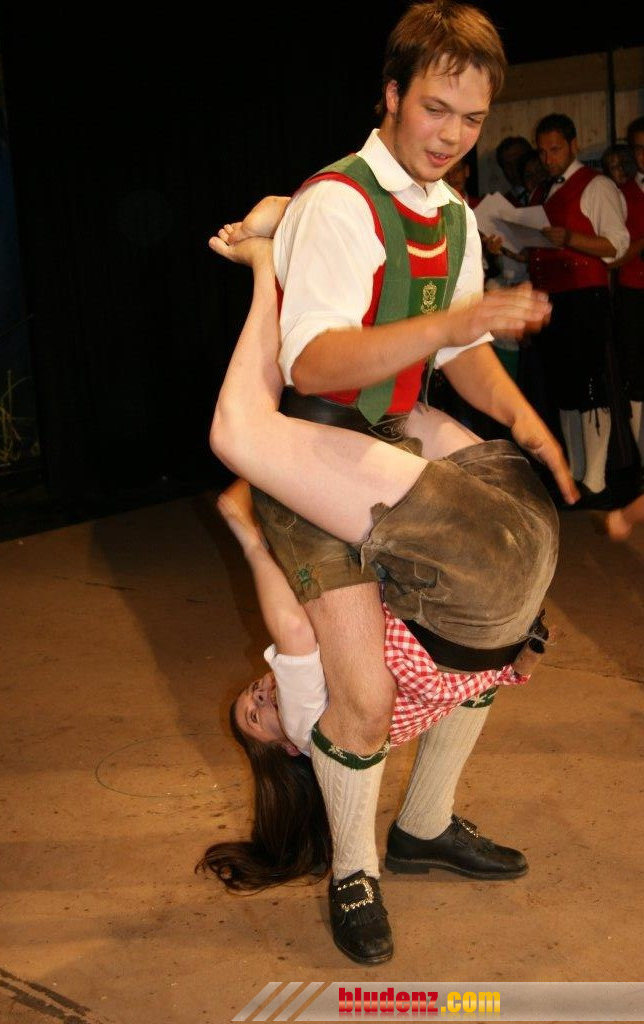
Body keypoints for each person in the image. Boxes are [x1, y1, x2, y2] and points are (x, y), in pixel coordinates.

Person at [208, 0, 576, 966]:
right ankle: (353, 868)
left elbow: (461, 355)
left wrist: (521, 418)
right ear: (390, 96)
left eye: (471, 118)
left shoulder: (450, 214)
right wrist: (448, 329)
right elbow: (317, 363)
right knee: (363, 698)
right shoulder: (338, 204)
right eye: (434, 109)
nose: (451, 135)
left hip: (392, 449)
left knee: (494, 634)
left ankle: (425, 824)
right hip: (313, 459)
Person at [198, 472, 546, 893]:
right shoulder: (301, 727)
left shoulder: (308, 707)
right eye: (254, 717)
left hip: (460, 658)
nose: (256, 697)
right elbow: (293, 628)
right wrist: (251, 543)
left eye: (249, 694)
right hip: (436, 639)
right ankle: (357, 876)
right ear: (287, 750)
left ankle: (424, 824)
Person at [526, 112, 630, 508]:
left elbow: (616, 245)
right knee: (565, 389)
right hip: (553, 300)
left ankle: (597, 479)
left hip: (585, 297)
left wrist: (570, 238)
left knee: (589, 386)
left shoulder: (596, 185)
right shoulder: (542, 191)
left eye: (555, 149)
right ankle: (576, 472)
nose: (548, 158)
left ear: (573, 146)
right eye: (542, 151)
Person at [610, 117, 644, 473]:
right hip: (634, 293)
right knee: (636, 377)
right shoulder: (622, 194)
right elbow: (616, 255)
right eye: (639, 149)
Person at [495, 135, 534, 206]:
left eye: (518, 161)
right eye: (508, 165)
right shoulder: (501, 204)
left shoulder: (550, 192)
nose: (514, 168)